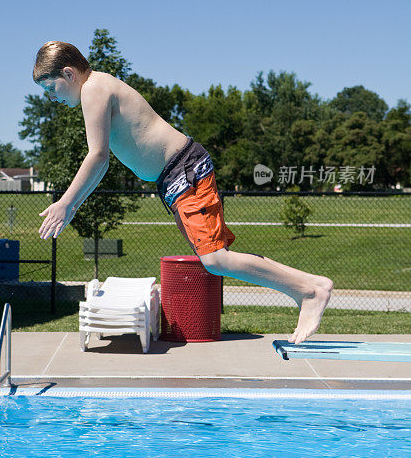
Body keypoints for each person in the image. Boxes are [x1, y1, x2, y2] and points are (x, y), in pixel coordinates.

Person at [33, 40, 333, 345]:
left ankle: (310, 290)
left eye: (50, 88)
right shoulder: (97, 86)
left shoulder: (93, 88)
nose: (51, 98)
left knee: (215, 259)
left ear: (69, 73)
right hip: (173, 177)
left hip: (184, 170)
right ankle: (305, 289)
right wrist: (72, 206)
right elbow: (101, 166)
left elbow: (97, 156)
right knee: (216, 258)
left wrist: (66, 202)